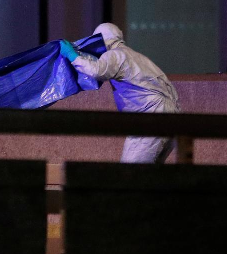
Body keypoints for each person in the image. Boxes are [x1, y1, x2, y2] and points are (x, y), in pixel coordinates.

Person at [59, 23, 181, 163]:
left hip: (150, 118)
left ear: (100, 39)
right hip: (171, 116)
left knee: (129, 173)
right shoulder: (136, 56)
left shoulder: (116, 55)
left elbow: (96, 71)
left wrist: (72, 55)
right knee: (149, 176)